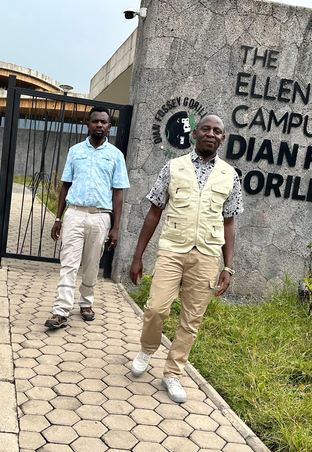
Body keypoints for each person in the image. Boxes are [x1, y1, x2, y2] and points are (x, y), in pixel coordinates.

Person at [129, 114, 244, 403]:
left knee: (191, 320)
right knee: (156, 308)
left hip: (206, 255)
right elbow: (154, 211)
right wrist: (138, 256)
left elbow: (228, 222)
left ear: (222, 139)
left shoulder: (230, 175)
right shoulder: (173, 167)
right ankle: (147, 348)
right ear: (194, 134)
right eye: (205, 128)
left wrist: (227, 265)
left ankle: (173, 373)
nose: (210, 134)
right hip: (172, 250)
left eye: (217, 131)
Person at [45, 106, 130, 329]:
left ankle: (85, 303)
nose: (99, 125)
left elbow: (118, 192)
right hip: (74, 214)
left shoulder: (115, 155)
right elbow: (65, 185)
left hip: (101, 217)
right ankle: (60, 311)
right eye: (95, 121)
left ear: (109, 126)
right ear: (88, 124)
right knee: (68, 264)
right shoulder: (75, 151)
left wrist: (116, 227)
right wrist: (58, 218)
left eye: (103, 122)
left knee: (92, 265)